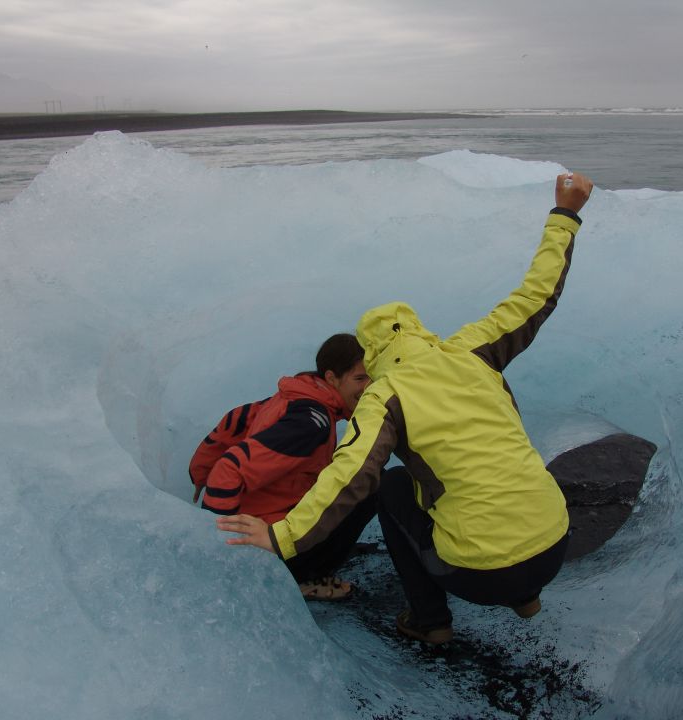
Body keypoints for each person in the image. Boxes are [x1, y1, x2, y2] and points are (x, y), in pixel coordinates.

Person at [216, 173, 593, 643]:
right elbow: (535, 296)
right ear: (418, 331)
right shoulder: (472, 350)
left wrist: (281, 537)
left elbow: (351, 476)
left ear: (370, 357)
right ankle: (526, 598)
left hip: (477, 574)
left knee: (393, 487)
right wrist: (566, 214)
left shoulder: (384, 395)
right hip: (556, 543)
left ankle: (429, 622)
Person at [190, 333, 374, 600]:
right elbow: (229, 468)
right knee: (368, 486)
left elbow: (235, 420)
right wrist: (218, 552)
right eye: (359, 379)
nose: (368, 387)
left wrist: (199, 471)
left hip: (268, 516)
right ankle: (304, 577)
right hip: (266, 539)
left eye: (371, 378)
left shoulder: (298, 394)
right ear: (332, 378)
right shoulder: (311, 423)